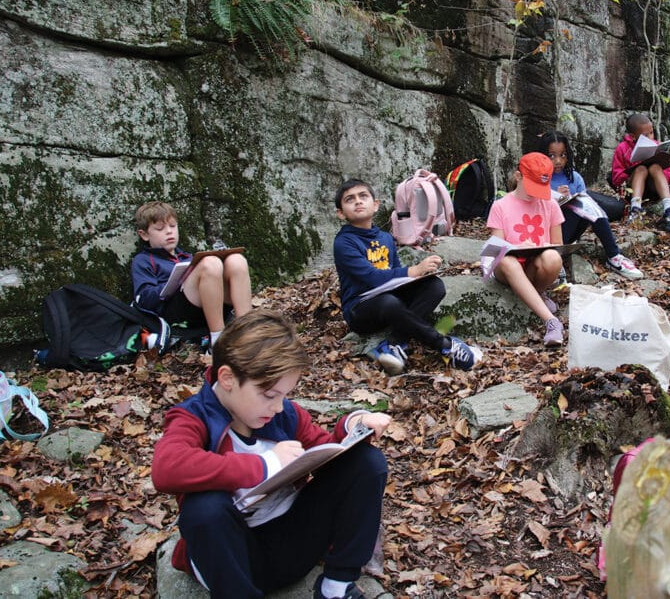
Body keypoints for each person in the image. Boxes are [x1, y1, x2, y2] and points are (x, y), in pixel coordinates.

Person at [152, 309, 391, 599]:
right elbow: (167, 468)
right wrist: (265, 465)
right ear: (227, 378)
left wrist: (352, 425)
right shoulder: (194, 417)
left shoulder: (283, 415)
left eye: (284, 395)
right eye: (269, 396)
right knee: (204, 508)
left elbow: (326, 452)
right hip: (233, 559)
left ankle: (337, 587)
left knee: (367, 462)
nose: (278, 406)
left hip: (292, 541)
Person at [333, 179, 480, 374]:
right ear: (341, 213)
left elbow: (394, 278)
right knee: (389, 302)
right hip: (361, 310)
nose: (358, 202)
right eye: (350, 199)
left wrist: (415, 278)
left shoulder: (385, 237)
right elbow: (370, 278)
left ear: (375, 205)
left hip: (390, 301)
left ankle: (395, 343)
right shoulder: (344, 242)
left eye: (363, 196)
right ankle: (444, 345)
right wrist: (412, 271)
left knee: (434, 286)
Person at [131, 201, 252, 346]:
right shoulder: (143, 260)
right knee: (209, 264)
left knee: (236, 260)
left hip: (207, 308)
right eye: (160, 228)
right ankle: (217, 341)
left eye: (173, 226)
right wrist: (172, 283)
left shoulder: (187, 257)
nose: (169, 231)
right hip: (176, 315)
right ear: (144, 235)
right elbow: (143, 299)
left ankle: (249, 331)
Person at [538, 131, 643, 280]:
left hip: (570, 230)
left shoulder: (574, 177)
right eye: (552, 156)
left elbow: (585, 206)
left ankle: (614, 256)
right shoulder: (539, 178)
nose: (558, 161)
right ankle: (556, 261)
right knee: (580, 203)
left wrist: (568, 198)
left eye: (563, 155)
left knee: (588, 202)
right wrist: (554, 198)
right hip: (547, 235)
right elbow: (534, 211)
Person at [487, 152, 566, 346]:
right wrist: (518, 247)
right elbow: (496, 248)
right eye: (532, 186)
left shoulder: (550, 205)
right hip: (507, 268)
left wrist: (542, 247)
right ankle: (551, 321)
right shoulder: (500, 206)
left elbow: (558, 245)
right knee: (507, 260)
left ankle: (533, 295)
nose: (535, 194)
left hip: (534, 267)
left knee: (553, 258)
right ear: (518, 176)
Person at [610, 113, 670, 231]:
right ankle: (635, 211)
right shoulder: (622, 149)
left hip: (654, 189)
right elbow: (616, 179)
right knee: (641, 169)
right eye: (645, 136)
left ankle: (669, 210)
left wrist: (662, 173)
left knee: (655, 167)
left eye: (651, 133)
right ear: (633, 136)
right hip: (633, 191)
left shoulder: (656, 145)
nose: (650, 138)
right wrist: (633, 170)